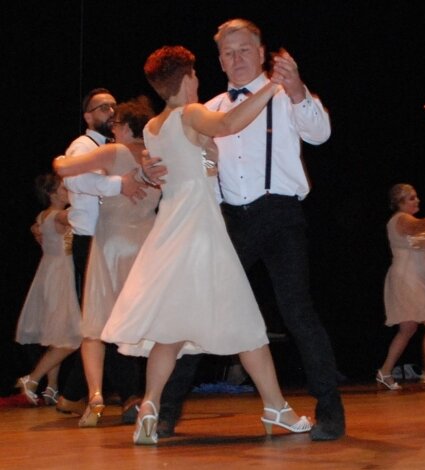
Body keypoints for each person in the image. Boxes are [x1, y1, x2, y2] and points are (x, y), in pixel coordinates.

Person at [101, 45, 310, 445]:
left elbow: (189, 166)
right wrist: (272, 87)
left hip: (170, 232)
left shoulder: (153, 128)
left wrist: (208, 162)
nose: (199, 80)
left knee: (171, 330)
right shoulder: (188, 112)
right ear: (186, 79)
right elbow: (230, 122)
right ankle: (276, 409)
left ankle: (149, 406)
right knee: (247, 323)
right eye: (195, 75)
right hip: (199, 230)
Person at [156, 18, 343, 441]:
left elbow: (320, 134)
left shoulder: (283, 94)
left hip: (279, 216)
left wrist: (298, 91)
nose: (236, 59)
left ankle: (330, 410)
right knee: (197, 311)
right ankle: (165, 411)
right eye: (228, 52)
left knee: (298, 312)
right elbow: (188, 158)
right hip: (230, 221)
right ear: (218, 60)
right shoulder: (215, 108)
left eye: (244, 50)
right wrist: (154, 169)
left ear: (262, 53)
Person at [52, 88, 161, 416]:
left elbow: (65, 169)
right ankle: (132, 395)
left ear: (126, 126)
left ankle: (99, 395)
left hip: (110, 243)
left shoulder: (111, 151)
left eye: (116, 116)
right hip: (144, 243)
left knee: (100, 323)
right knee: (131, 320)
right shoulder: (154, 156)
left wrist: (58, 162)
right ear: (88, 116)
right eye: (104, 110)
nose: (112, 119)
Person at [377, 184, 425, 391]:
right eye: (411, 198)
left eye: (416, 196)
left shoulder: (413, 221)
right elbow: (418, 226)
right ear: (400, 202)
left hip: (418, 276)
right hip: (408, 276)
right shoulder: (401, 219)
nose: (417, 200)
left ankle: (385, 372)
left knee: (408, 328)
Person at [15, 175, 82, 406]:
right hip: (61, 272)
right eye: (64, 188)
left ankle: (51, 388)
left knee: (57, 335)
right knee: (71, 338)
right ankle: (32, 379)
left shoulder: (41, 217)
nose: (68, 191)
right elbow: (81, 216)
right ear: (52, 194)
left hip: (49, 272)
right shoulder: (61, 215)